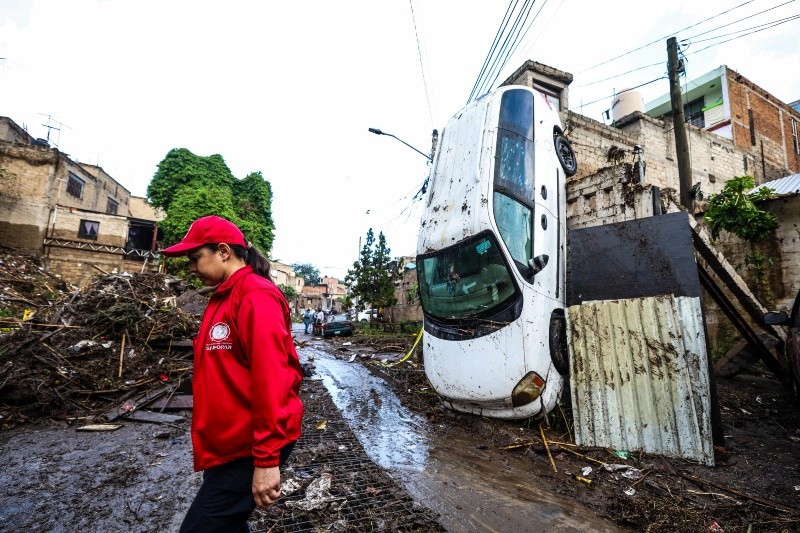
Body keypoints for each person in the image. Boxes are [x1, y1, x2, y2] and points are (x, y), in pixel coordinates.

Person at [161, 215, 303, 533]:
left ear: (224, 251)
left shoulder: (255, 296)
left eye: (195, 258)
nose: (191, 268)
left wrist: (266, 461)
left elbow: (272, 380)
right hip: (229, 445)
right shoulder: (224, 296)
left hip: (250, 445)